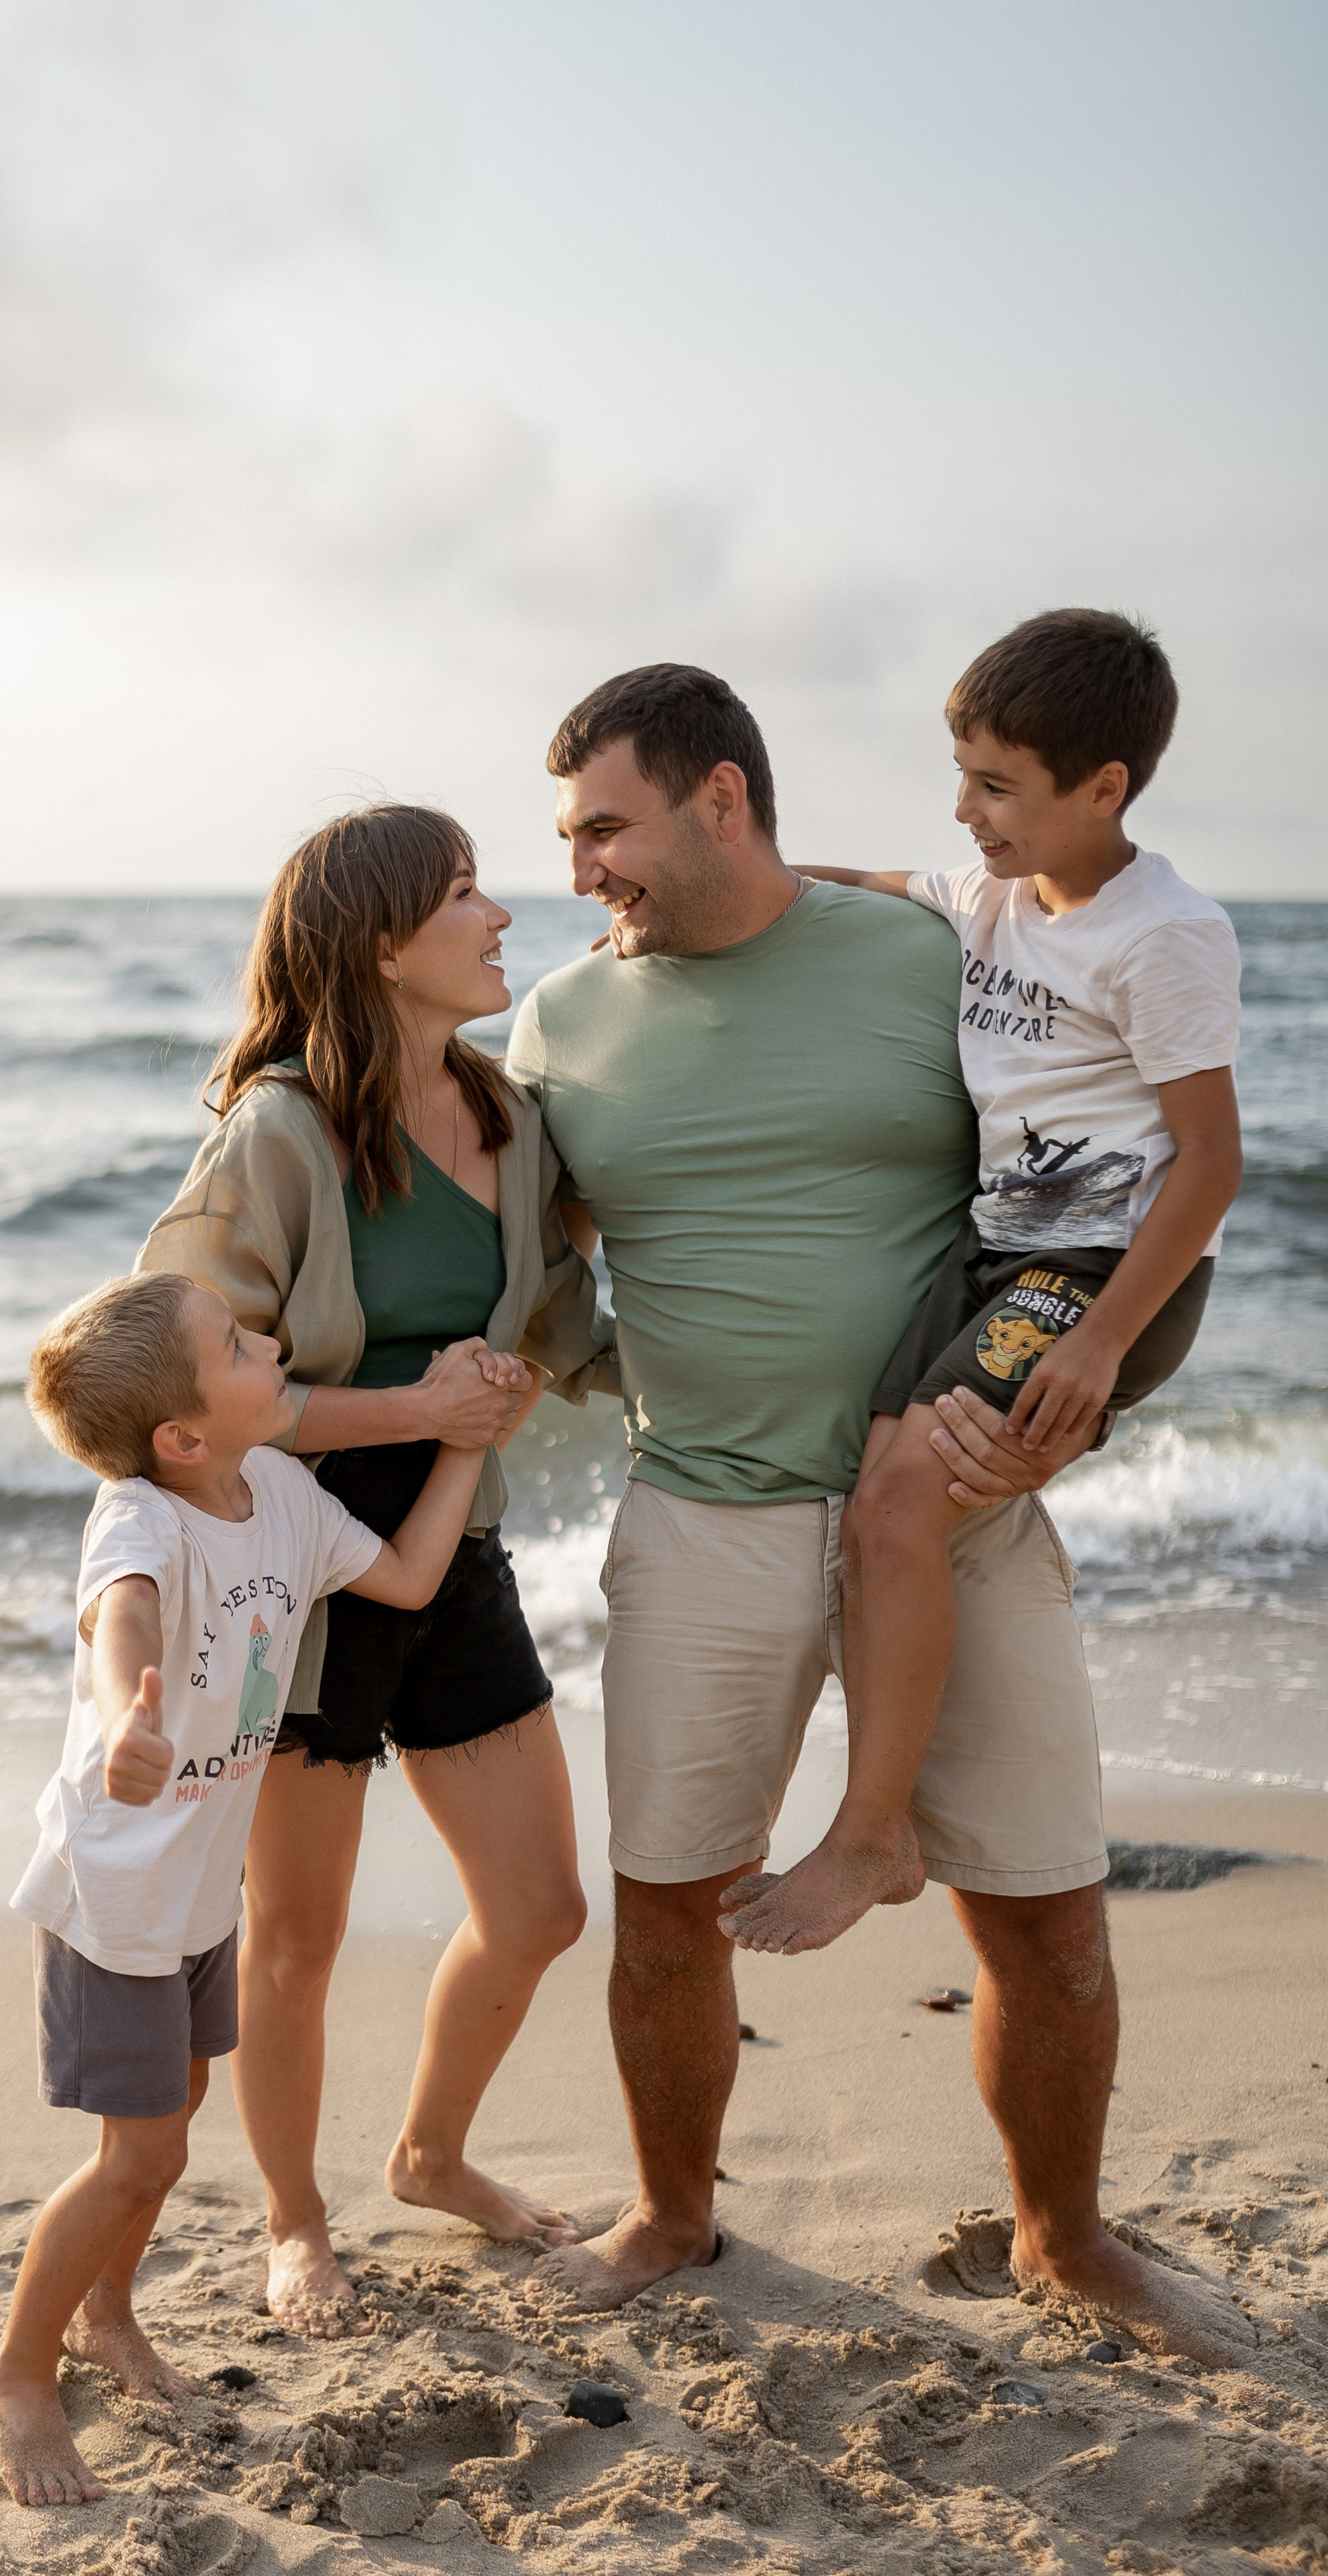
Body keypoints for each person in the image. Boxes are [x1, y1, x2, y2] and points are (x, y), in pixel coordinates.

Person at [507, 661, 1254, 2365]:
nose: (581, 869)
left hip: (948, 1505)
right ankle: (671, 2216)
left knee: (1045, 1913)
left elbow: (1104, 1173)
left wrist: (1079, 1403)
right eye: (566, 839)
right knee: (666, 1906)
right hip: (701, 1510)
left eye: (605, 828)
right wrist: (569, 1369)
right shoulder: (557, 1020)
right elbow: (522, 1252)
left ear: (719, 799)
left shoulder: (938, 954)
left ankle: (1064, 2238)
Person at [134, 804, 612, 2338]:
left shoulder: (509, 1112)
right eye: (465, 893)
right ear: (383, 945)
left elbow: (565, 1322)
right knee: (296, 1938)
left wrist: (781, 1388)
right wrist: (415, 1412)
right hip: (289, 1584)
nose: (501, 916)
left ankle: (429, 2156)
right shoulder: (276, 1134)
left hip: (452, 1548)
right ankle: (293, 2223)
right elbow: (180, 1395)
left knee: (539, 1907)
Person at [729, 610, 1241, 1956]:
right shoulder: (994, 894)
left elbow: (1209, 1162)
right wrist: (711, 890)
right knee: (872, 1502)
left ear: (1103, 788)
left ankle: (869, 1835)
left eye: (997, 785)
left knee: (901, 1509)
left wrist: (1097, 1346)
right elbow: (855, 882)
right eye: (960, 775)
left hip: (1099, 1275)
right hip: (994, 1255)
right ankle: (886, 1822)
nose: (965, 810)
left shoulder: (1164, 936)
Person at [0, 1269, 491, 2507]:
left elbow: (410, 1578)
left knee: (172, 2123)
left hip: (200, 1892)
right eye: (238, 1346)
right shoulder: (141, 1519)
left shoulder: (285, 1498)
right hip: (116, 1900)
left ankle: (107, 2313)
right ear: (182, 1437)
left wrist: (470, 1442)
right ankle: (16, 2370)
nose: (269, 1345)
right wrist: (124, 1722)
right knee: (138, 2157)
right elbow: (123, 1620)